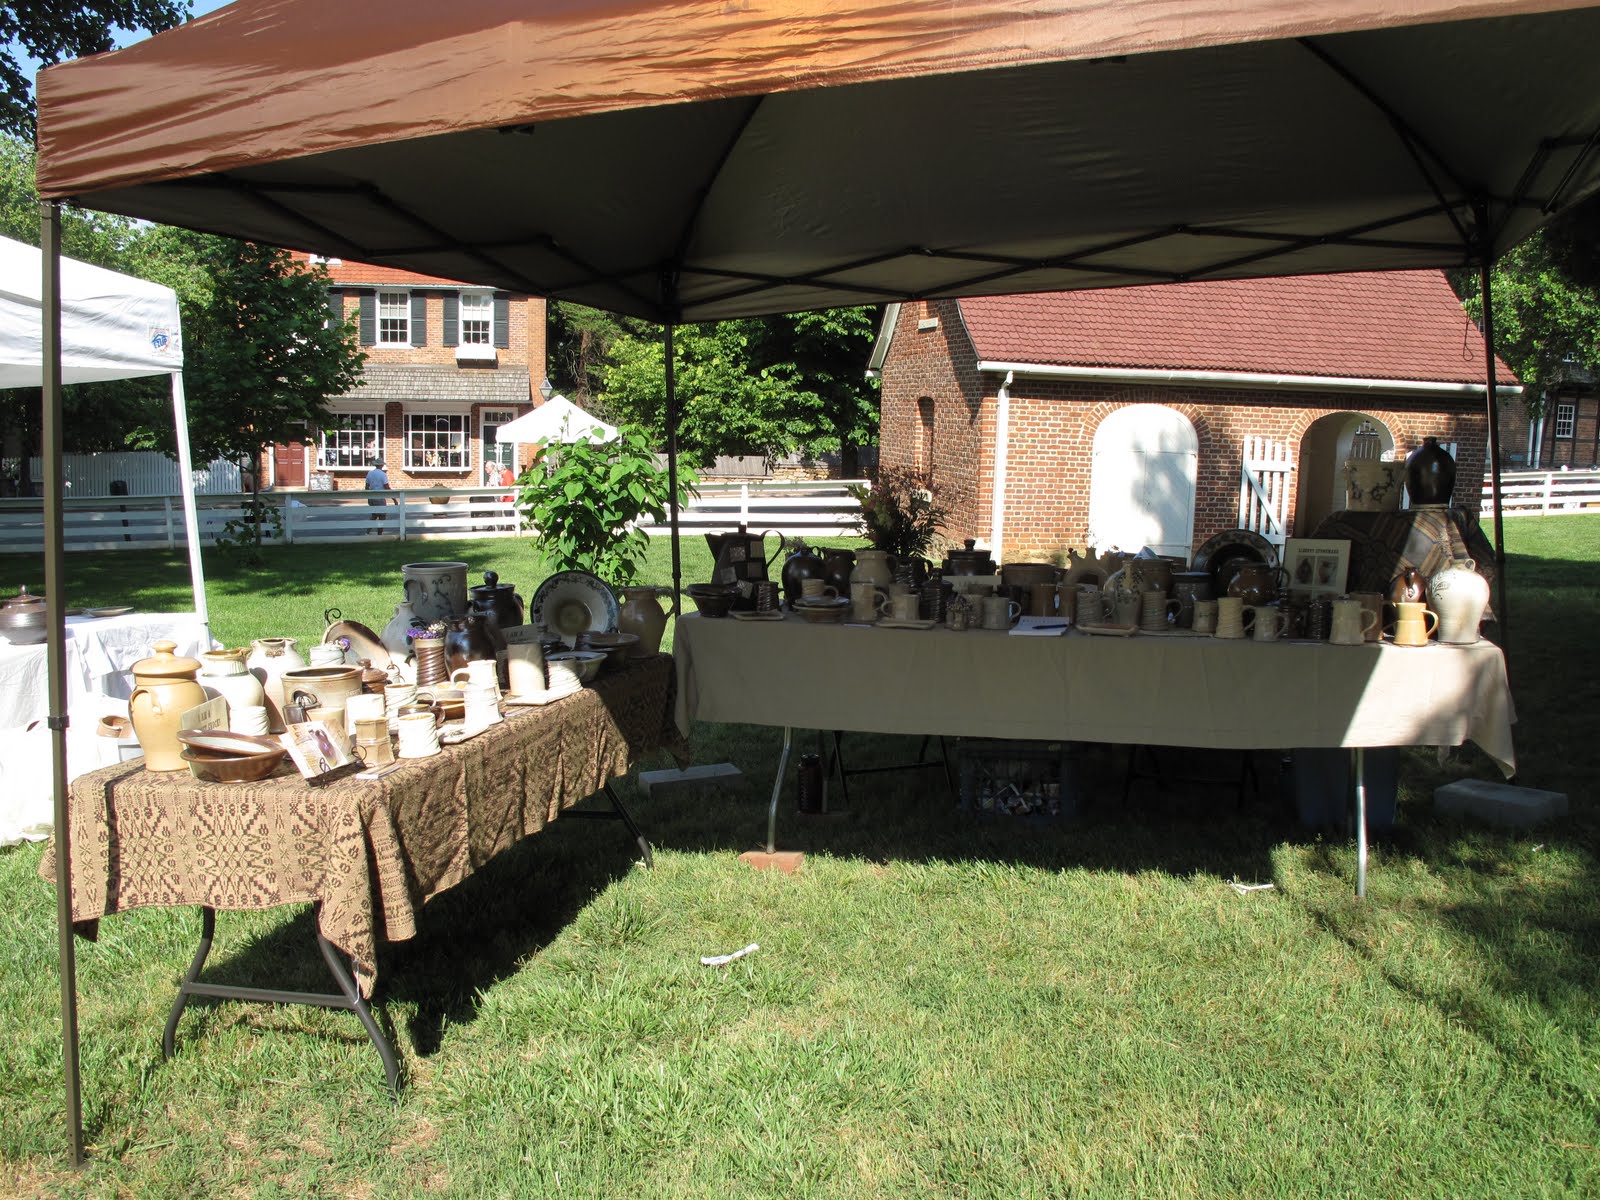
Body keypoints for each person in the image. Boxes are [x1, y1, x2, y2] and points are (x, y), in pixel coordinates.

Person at [365, 457, 390, 530]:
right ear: (381, 465)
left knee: (374, 515)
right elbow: (386, 486)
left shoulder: (370, 473)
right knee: (382, 516)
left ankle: (368, 531)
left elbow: (367, 486)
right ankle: (380, 533)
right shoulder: (383, 474)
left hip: (372, 497)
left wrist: (368, 497)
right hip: (380, 497)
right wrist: (394, 498)